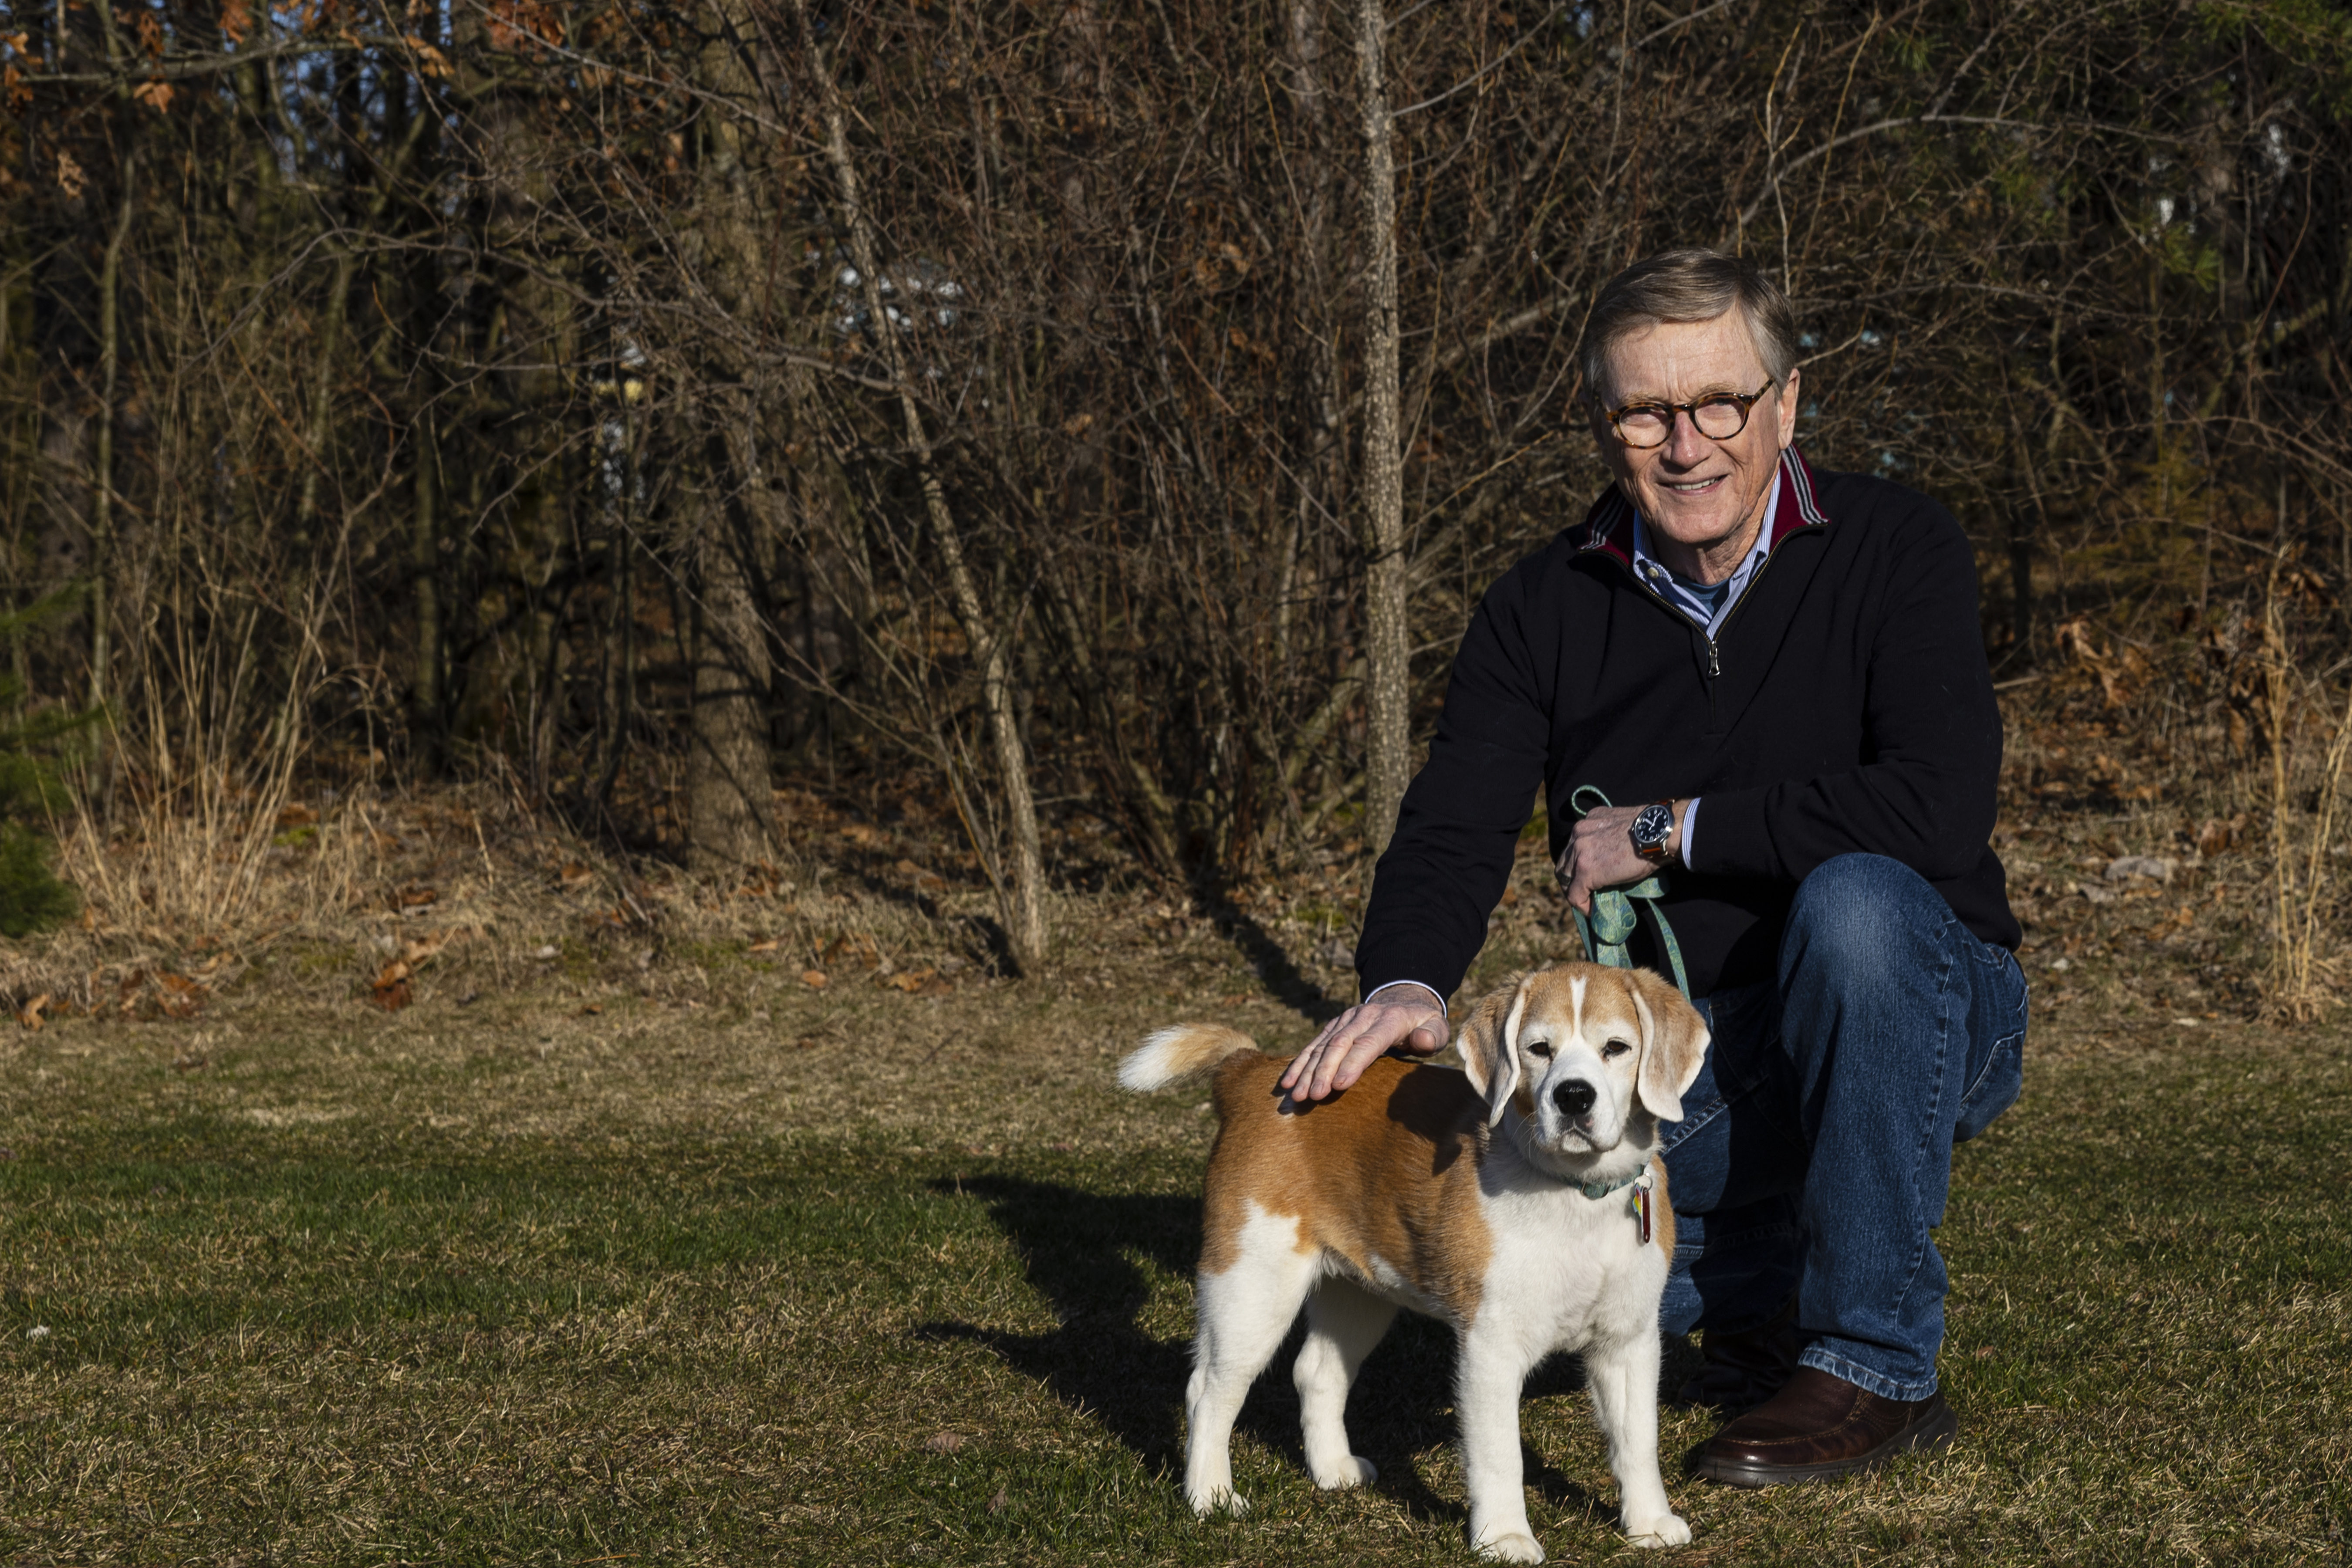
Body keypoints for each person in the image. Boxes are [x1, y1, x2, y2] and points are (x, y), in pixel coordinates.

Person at [1277, 247, 2027, 1488]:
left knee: (1856, 905)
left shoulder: (1899, 547)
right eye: (1645, 411)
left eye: (1720, 402)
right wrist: (1407, 979)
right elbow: (1456, 821)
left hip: (1922, 1003)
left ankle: (1874, 1366)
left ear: (1786, 403)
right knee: (1537, 1270)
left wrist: (1676, 828)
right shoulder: (1543, 604)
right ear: (1604, 422)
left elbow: (1937, 812)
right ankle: (1776, 1286)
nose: (1687, 444)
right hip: (1692, 1056)